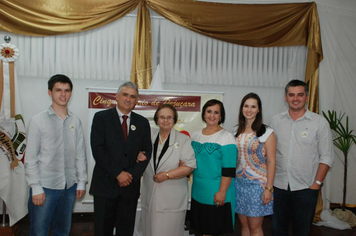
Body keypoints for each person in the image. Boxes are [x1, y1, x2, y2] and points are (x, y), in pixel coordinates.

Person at [25, 74, 88, 236]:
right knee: (39, 232)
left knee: (62, 231)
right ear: (49, 92)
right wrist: (36, 187)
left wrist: (81, 182)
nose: (63, 94)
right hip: (44, 188)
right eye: (58, 90)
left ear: (71, 93)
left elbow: (80, 154)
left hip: (69, 187)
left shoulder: (75, 121)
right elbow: (30, 158)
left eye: (67, 90)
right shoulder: (38, 121)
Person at [270, 80, 334, 236]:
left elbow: (326, 156)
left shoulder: (319, 123)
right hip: (279, 186)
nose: (295, 98)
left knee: (302, 231)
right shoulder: (276, 121)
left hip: (306, 188)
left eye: (300, 95)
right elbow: (271, 152)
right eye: (291, 95)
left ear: (306, 97)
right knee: (278, 230)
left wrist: (316, 184)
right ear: (286, 97)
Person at [89, 81, 152, 236]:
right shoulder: (101, 118)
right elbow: (98, 150)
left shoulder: (142, 123)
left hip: (129, 188)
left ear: (136, 100)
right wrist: (118, 173)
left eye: (132, 96)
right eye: (125, 94)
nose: (128, 99)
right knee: (103, 230)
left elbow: (147, 152)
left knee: (126, 231)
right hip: (105, 185)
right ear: (117, 96)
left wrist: (131, 175)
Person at [138, 104, 196, 236]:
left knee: (170, 231)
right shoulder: (148, 137)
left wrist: (168, 175)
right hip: (150, 197)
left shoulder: (183, 140)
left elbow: (189, 166)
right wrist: (138, 156)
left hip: (172, 199)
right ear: (157, 120)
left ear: (175, 120)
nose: (165, 120)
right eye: (162, 117)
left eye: (169, 117)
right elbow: (137, 155)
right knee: (149, 231)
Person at [190, 99, 237, 236]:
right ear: (204, 114)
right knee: (202, 230)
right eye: (209, 111)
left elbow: (229, 170)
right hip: (198, 191)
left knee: (213, 231)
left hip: (217, 191)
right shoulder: (195, 134)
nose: (212, 115)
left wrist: (222, 192)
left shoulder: (227, 137)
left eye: (216, 112)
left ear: (221, 116)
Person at [234, 93, 276, 236]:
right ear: (241, 108)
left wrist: (269, 188)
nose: (249, 109)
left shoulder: (267, 132)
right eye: (246, 106)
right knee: (244, 226)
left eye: (253, 106)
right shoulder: (235, 131)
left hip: (258, 186)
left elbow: (271, 161)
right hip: (239, 184)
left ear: (259, 110)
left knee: (255, 227)